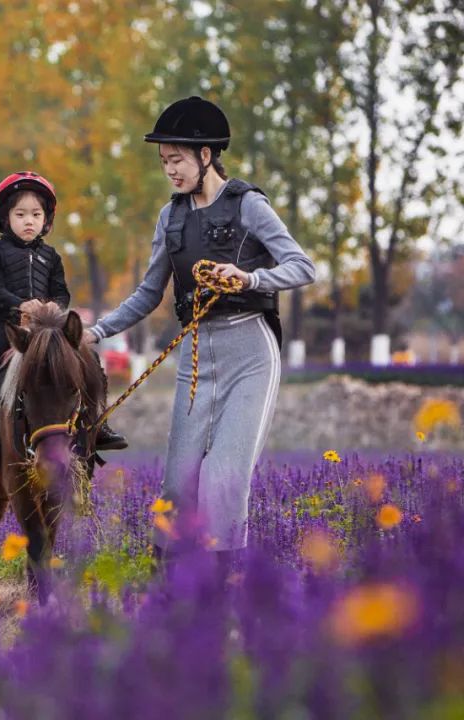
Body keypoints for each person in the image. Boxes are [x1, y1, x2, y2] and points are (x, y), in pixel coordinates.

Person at [83, 97, 316, 577]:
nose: (169, 170)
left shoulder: (249, 204)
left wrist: (250, 279)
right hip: (193, 356)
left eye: (177, 160)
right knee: (178, 485)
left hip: (249, 351)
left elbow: (302, 266)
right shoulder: (170, 218)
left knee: (223, 479)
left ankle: (222, 589)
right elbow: (149, 293)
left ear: (205, 155)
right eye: (164, 161)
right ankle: (167, 594)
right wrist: (96, 331)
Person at [0, 171, 128, 452]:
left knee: (89, 356)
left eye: (36, 214)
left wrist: (56, 306)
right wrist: (19, 305)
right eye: (20, 214)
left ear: (45, 220)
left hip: (46, 328)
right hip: (8, 325)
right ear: (5, 218)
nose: (29, 221)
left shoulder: (51, 256)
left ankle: (97, 420)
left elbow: (61, 292)